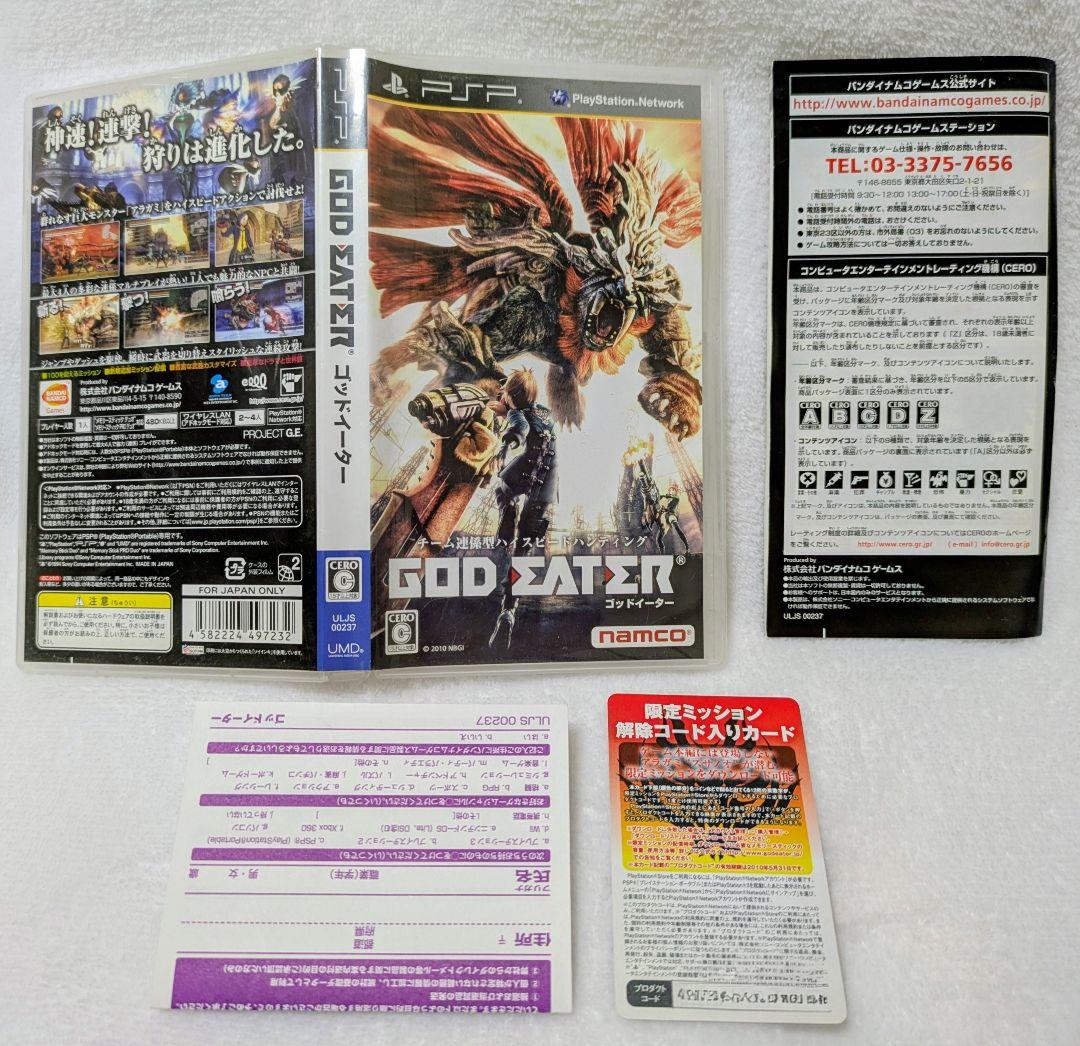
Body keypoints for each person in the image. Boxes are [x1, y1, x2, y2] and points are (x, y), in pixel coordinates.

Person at [488, 369, 557, 649]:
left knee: (502, 488)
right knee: (523, 551)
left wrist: (503, 447)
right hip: (546, 481)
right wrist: (509, 405)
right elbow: (528, 416)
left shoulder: (517, 414)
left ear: (510, 397)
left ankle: (507, 521)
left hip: (526, 468)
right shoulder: (545, 412)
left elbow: (520, 427)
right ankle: (509, 610)